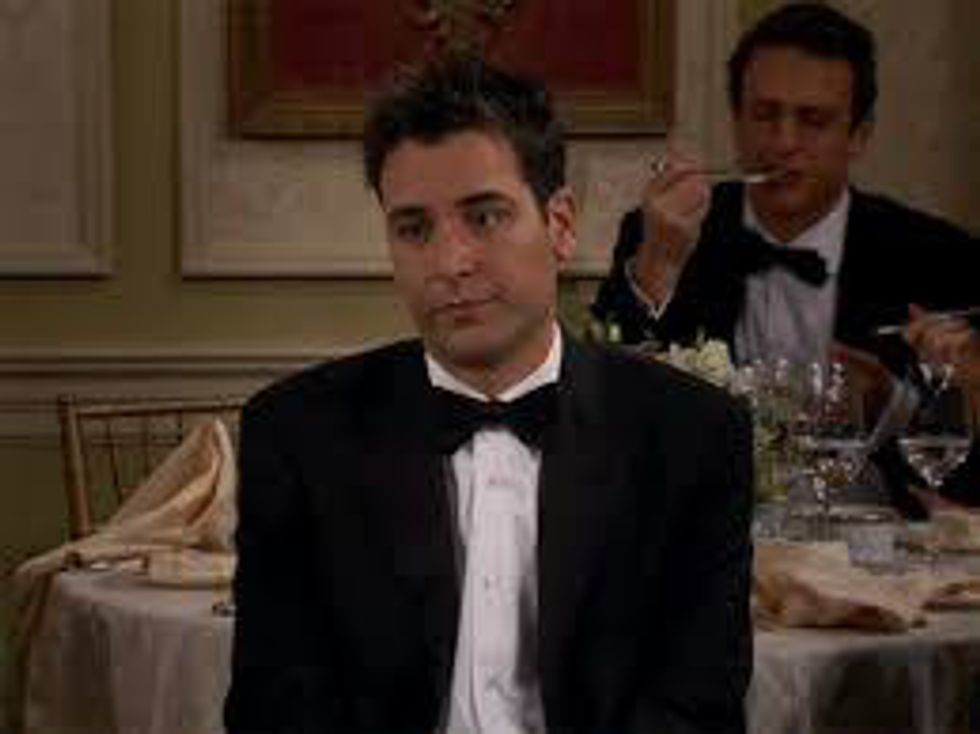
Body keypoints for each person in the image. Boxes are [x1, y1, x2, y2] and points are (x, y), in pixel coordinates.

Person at [224, 57, 754, 734]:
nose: (450, 262)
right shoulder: (298, 433)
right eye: (414, 229)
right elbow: (276, 709)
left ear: (560, 224)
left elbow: (697, 704)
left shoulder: (693, 434)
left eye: (484, 217)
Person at [592, 2, 978, 376]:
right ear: (736, 120)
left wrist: (926, 389)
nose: (783, 142)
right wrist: (658, 266)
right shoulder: (662, 235)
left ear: (859, 135)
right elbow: (604, 384)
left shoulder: (937, 257)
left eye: (813, 120)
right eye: (765, 115)